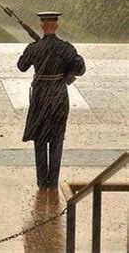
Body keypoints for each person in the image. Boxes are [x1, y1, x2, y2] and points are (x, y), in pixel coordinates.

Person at [17, 12, 85, 187]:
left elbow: (22, 67)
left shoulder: (34, 48)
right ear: (56, 25)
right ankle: (53, 181)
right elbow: (80, 68)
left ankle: (41, 180)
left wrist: (30, 51)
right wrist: (66, 74)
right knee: (56, 138)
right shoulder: (66, 48)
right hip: (58, 94)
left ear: (42, 26)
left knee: (40, 138)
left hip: (40, 95)